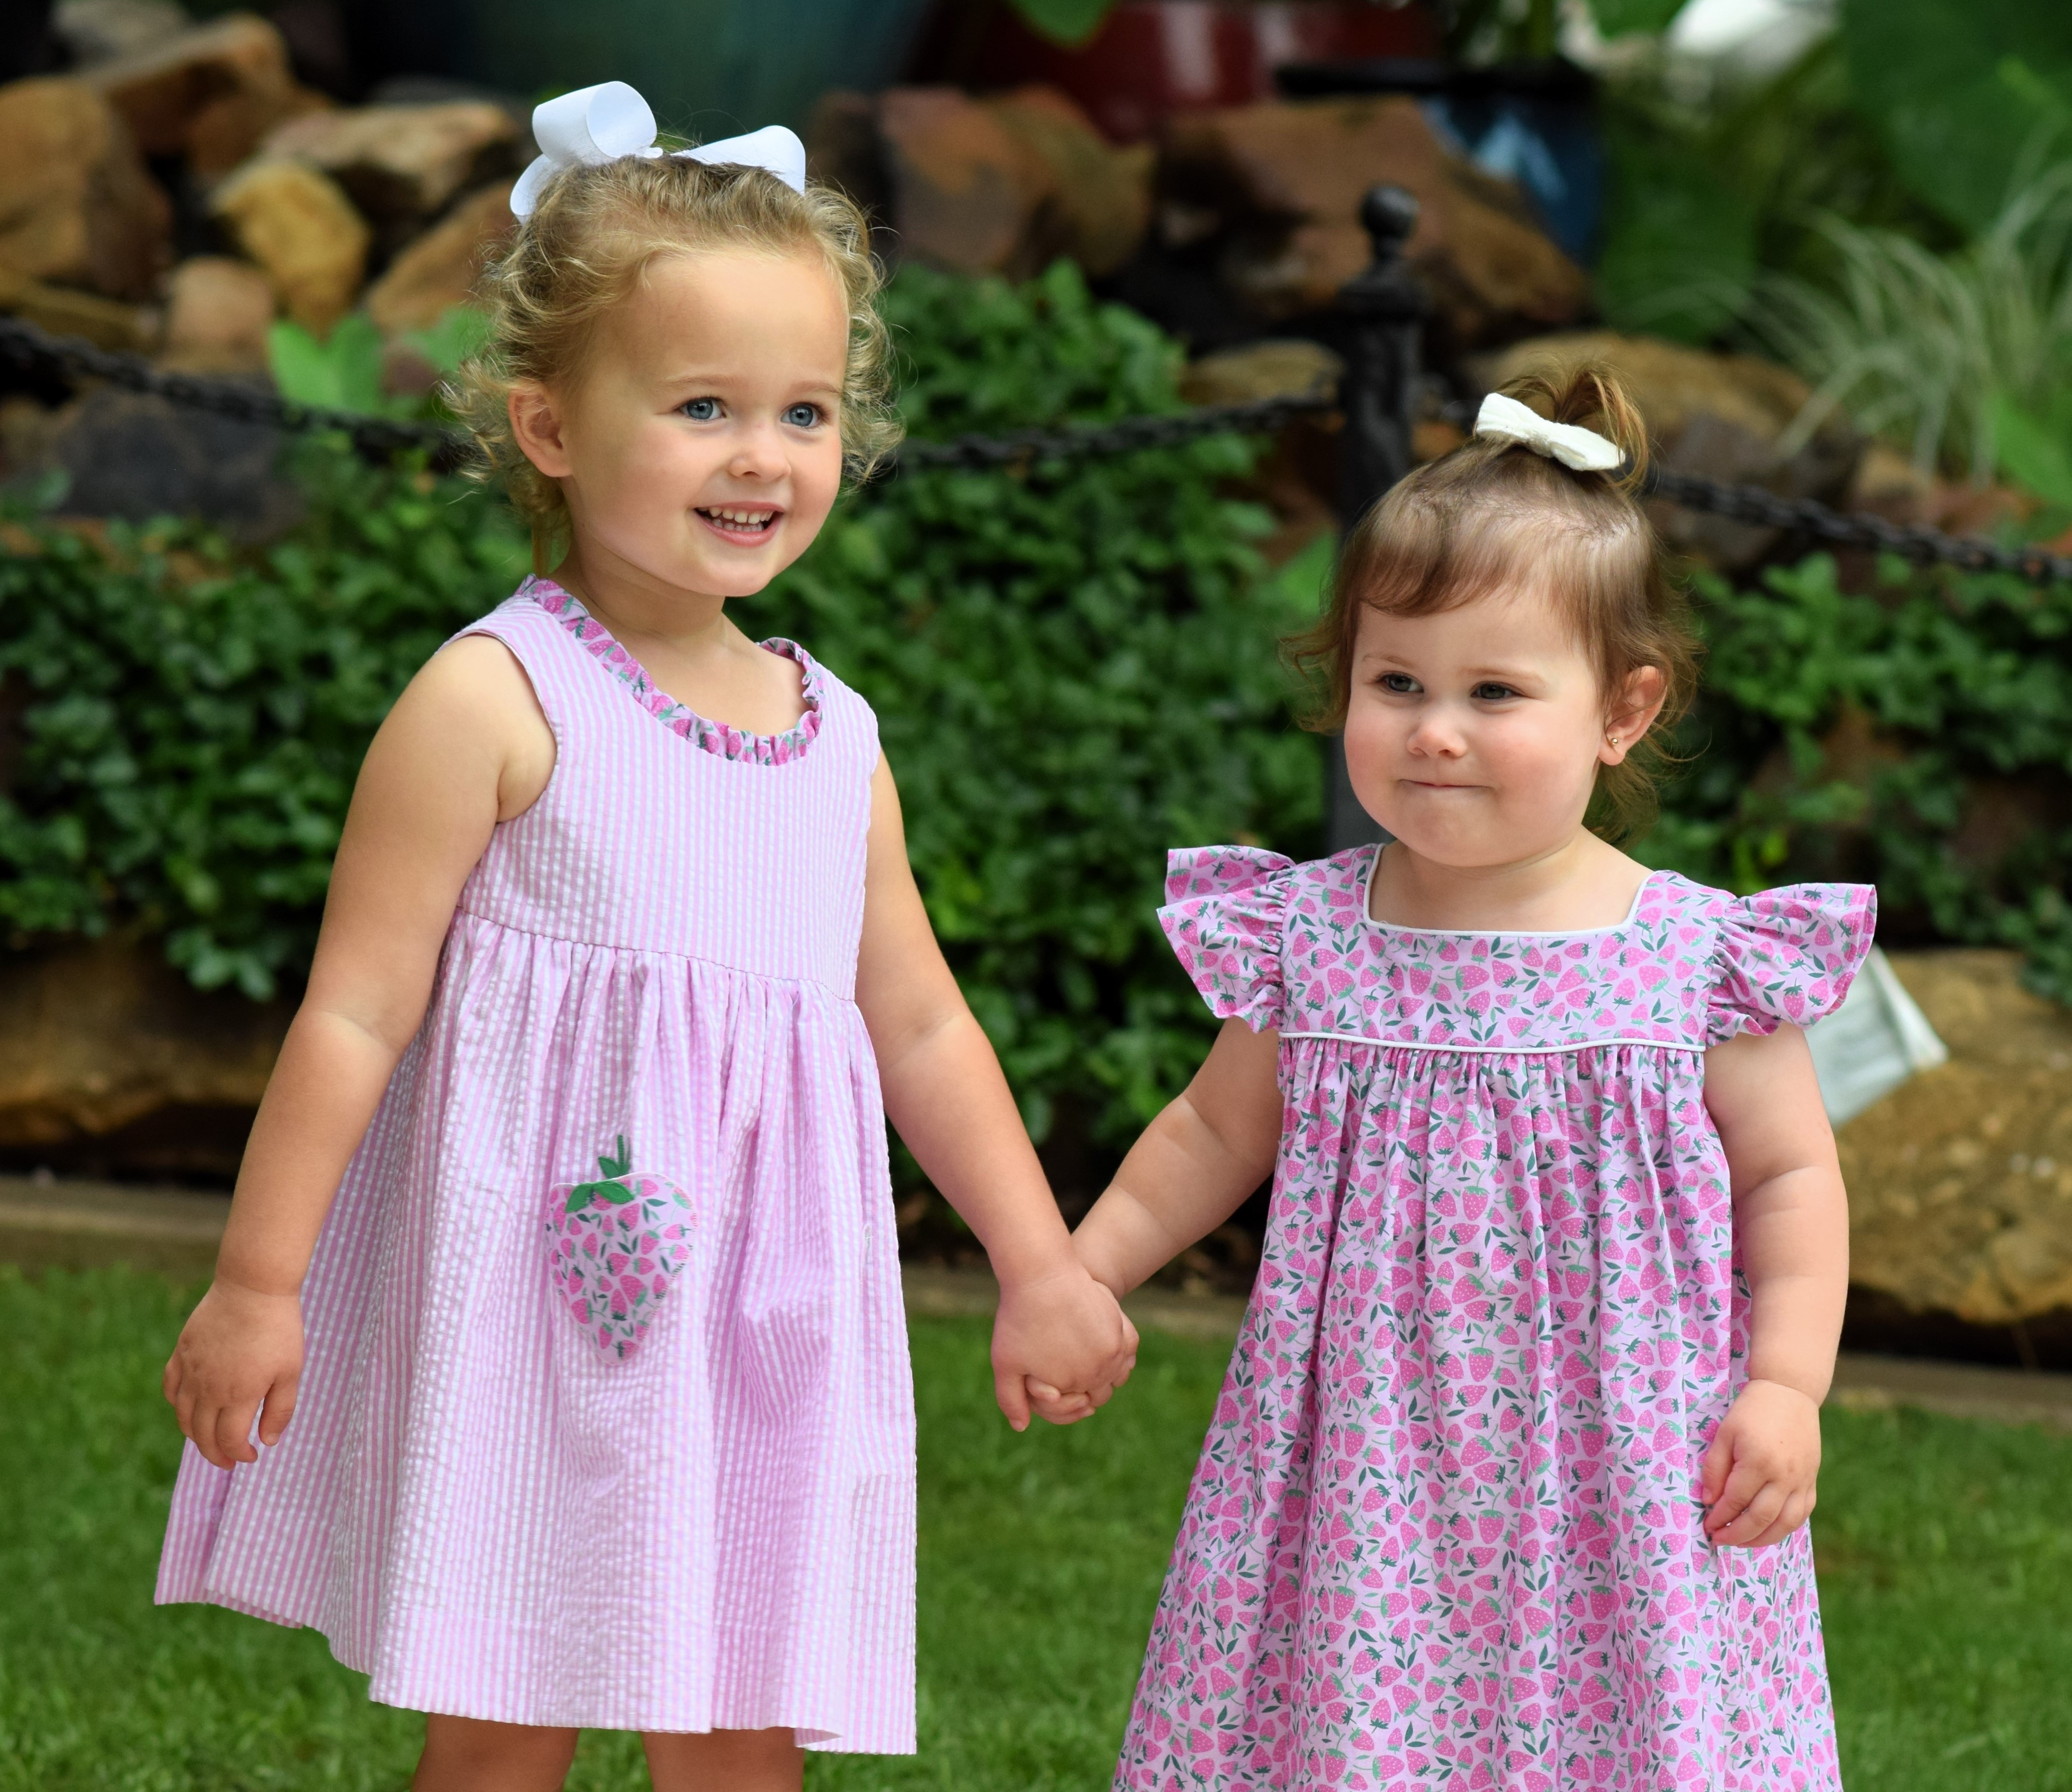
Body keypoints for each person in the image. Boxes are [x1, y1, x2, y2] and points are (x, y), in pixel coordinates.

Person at [155, 82, 1136, 1792]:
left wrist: (1041, 1259)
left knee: (747, 1722)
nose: (763, 455)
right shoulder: (496, 696)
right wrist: (259, 1284)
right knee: (507, 1706)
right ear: (550, 426)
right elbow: (355, 1014)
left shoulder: (839, 736)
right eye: (700, 406)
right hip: (540, 1304)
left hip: (773, 1314)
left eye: (805, 411)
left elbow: (918, 1024)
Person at [1069, 369, 1872, 1792]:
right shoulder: (1316, 935)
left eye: (1494, 691)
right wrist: (1087, 1269)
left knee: (1620, 1730)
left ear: (1623, 709)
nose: (1435, 728)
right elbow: (1211, 1127)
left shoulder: (1694, 960)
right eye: (1397, 683)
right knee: (1358, 1720)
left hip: (1627, 1456)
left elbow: (1792, 1173)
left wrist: (1789, 1384)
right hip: (1364, 1448)